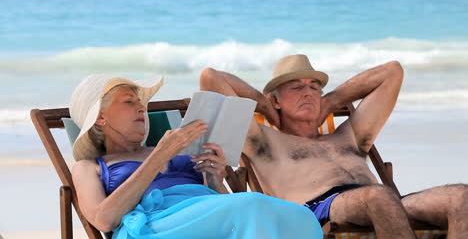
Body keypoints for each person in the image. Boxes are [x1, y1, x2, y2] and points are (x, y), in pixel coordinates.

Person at [200, 54, 468, 239]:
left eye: (314, 87)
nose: (308, 92)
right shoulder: (265, 142)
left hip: (385, 205)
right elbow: (211, 78)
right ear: (276, 100)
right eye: (296, 88)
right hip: (319, 211)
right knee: (380, 196)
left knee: (460, 196)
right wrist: (265, 106)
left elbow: (393, 71)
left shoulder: (349, 135)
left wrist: (330, 101)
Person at [69, 74, 323, 239]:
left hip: (205, 215)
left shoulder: (172, 149)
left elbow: (221, 207)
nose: (140, 107)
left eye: (140, 102)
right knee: (251, 204)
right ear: (99, 118)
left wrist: (214, 180)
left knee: (300, 217)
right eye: (128, 101)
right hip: (156, 225)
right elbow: (103, 220)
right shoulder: (88, 166)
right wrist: (160, 156)